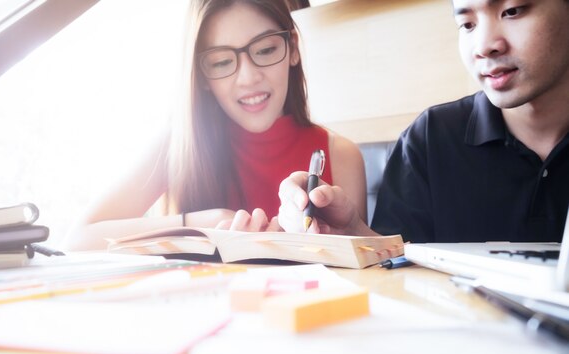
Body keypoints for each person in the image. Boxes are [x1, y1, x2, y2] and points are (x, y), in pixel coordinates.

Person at [65, 0, 367, 250]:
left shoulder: (340, 155)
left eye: (265, 50)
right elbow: (78, 240)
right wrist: (202, 223)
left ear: (293, 49)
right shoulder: (180, 144)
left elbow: (363, 273)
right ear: (202, 76)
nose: (248, 78)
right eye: (222, 62)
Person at [277, 0, 569, 243]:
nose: (483, 46)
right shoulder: (430, 137)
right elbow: (397, 264)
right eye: (467, 24)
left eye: (513, 11)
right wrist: (351, 234)